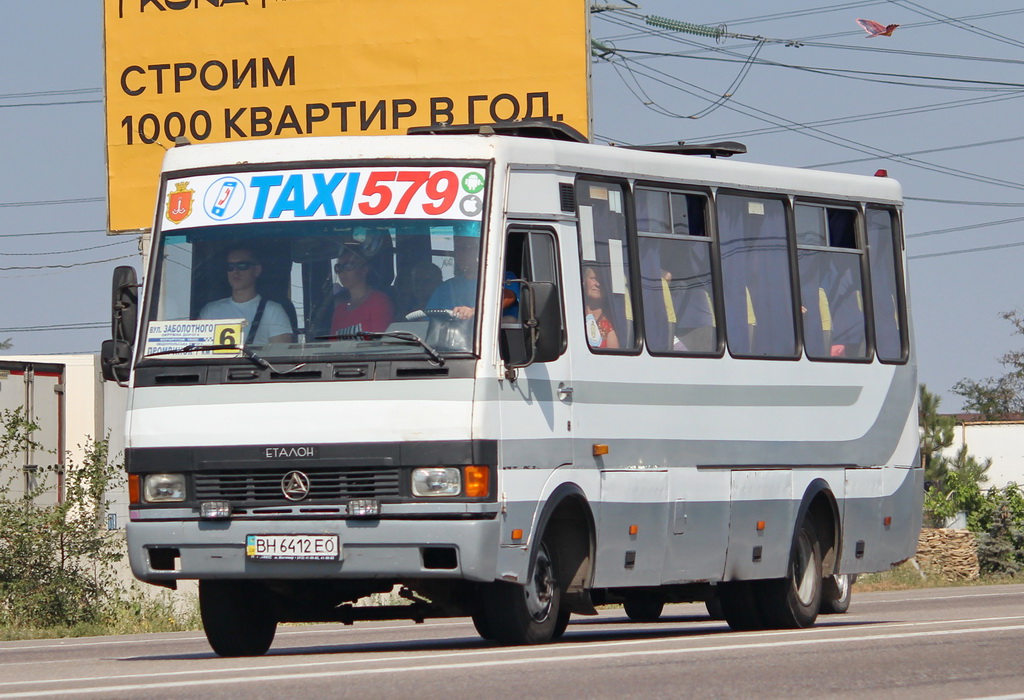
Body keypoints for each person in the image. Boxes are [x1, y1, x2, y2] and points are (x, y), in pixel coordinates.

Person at [200, 247, 293, 344]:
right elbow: (199, 352)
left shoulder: (273, 311)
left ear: (257, 270)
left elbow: (279, 356)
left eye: (242, 265)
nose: (235, 271)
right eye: (230, 266)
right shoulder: (210, 311)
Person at [329, 243, 394, 335]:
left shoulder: (378, 301)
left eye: (348, 266)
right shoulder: (340, 310)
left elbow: (380, 344)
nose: (343, 272)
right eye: (339, 267)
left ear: (364, 269)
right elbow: (333, 346)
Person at [427, 232, 480, 320]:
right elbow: (427, 320)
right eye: (457, 249)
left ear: (479, 250)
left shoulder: (495, 280)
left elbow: (508, 297)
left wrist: (475, 311)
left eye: (466, 248)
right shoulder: (445, 288)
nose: (460, 254)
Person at [583, 266, 619, 349]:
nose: (597, 284)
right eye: (593, 278)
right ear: (584, 282)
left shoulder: (611, 323)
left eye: (601, 280)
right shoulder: (575, 314)